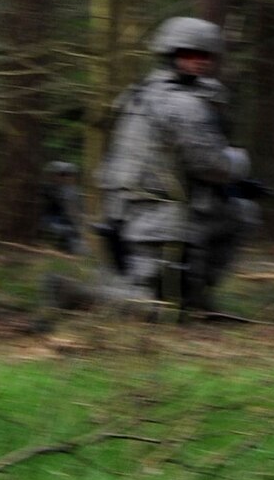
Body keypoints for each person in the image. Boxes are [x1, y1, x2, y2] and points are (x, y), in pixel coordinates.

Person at [71, 16, 258, 315]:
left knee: (151, 289)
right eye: (189, 54)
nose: (199, 62)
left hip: (124, 214)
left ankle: (154, 295)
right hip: (165, 221)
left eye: (204, 55)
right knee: (243, 212)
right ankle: (192, 293)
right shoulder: (185, 105)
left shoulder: (136, 95)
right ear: (172, 56)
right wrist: (240, 163)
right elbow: (213, 166)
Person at [39, 160, 84, 254]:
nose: (66, 178)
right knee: (67, 231)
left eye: (69, 175)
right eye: (62, 175)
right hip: (50, 220)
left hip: (66, 222)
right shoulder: (47, 189)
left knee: (73, 231)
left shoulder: (72, 190)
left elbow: (76, 211)